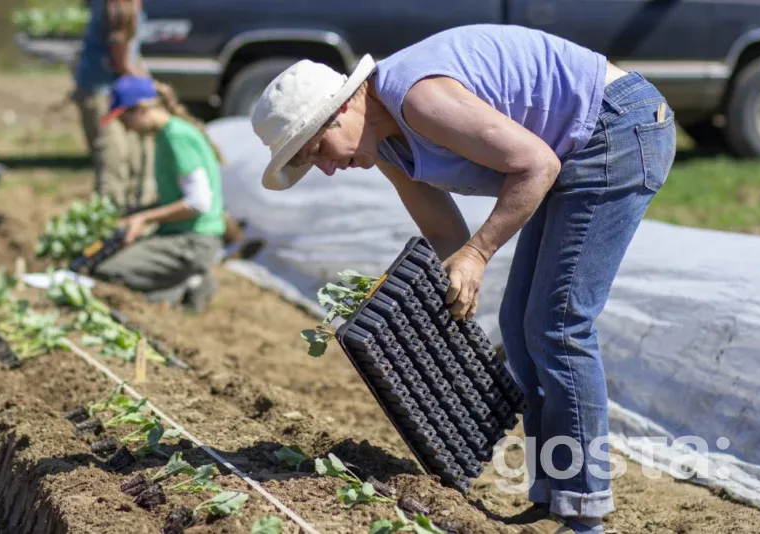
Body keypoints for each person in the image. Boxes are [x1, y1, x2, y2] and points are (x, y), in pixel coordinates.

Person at [248, 24, 676, 534]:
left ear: (340, 109)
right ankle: (551, 497)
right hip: (578, 144)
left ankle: (585, 514)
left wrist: (478, 253)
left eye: (316, 149)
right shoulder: (387, 144)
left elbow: (536, 165)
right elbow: (442, 230)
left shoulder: (417, 98)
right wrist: (430, 289)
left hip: (617, 126)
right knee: (520, 327)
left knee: (558, 326)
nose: (325, 167)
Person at [94, 75, 227, 312]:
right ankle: (182, 284)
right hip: (183, 237)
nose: (124, 126)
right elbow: (177, 197)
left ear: (141, 109)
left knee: (110, 272)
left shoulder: (177, 137)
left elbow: (198, 202)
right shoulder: (168, 135)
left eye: (124, 118)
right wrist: (137, 213)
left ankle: (187, 285)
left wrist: (144, 218)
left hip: (193, 241)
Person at [72, 0, 155, 210]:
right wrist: (147, 84)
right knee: (114, 158)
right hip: (102, 91)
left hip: (120, 87)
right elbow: (121, 60)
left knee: (138, 154)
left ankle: (137, 211)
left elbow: (131, 53)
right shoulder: (119, 7)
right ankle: (110, 218)